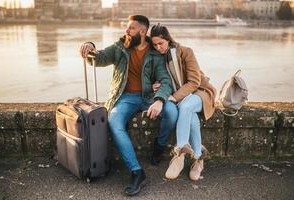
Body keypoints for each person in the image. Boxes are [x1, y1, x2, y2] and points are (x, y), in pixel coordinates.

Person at [80, 15, 178, 196]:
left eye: (131, 28)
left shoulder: (155, 52)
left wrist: (159, 100)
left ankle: (160, 145)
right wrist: (90, 46)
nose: (126, 31)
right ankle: (137, 171)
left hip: (149, 97)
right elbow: (98, 58)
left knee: (172, 112)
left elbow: (165, 80)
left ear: (142, 31)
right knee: (115, 121)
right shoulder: (120, 47)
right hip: (125, 98)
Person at [150, 24, 217, 181]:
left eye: (161, 43)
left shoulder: (185, 52)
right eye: (154, 44)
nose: (158, 47)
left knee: (185, 106)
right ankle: (198, 159)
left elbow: (194, 82)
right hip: (183, 97)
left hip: (200, 93)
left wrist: (173, 98)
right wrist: (155, 85)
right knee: (189, 114)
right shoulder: (159, 58)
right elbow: (163, 80)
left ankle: (179, 152)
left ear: (168, 39)